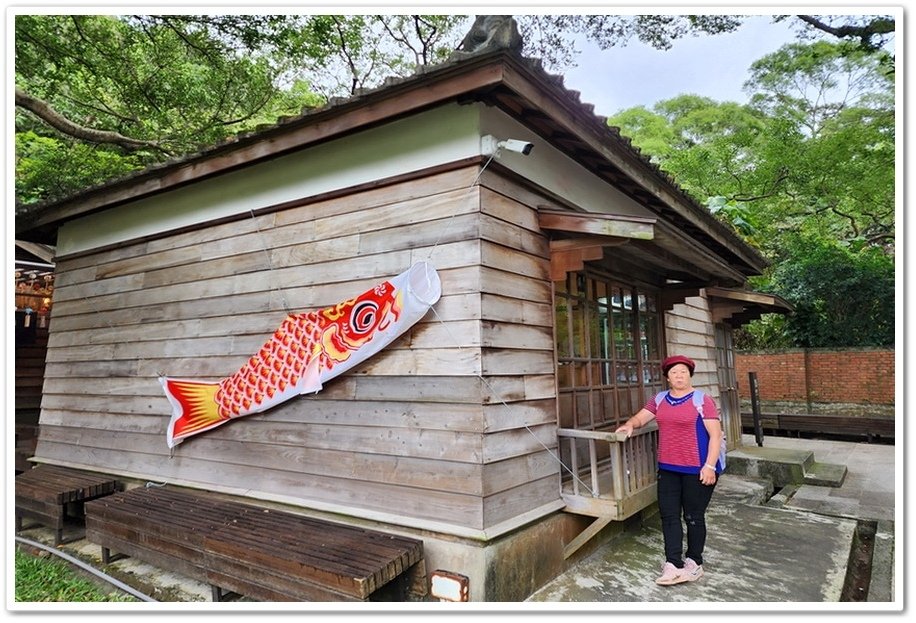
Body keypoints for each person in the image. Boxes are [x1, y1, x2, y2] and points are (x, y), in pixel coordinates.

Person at [615, 354, 724, 586]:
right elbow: (640, 418)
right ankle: (672, 563)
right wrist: (629, 425)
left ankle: (694, 563)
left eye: (683, 372)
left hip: (698, 468)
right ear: (667, 377)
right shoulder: (660, 399)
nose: (679, 376)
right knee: (669, 516)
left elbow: (716, 435)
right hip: (669, 468)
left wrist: (709, 466)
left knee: (693, 516)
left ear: (689, 375)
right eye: (674, 372)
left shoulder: (701, 400)